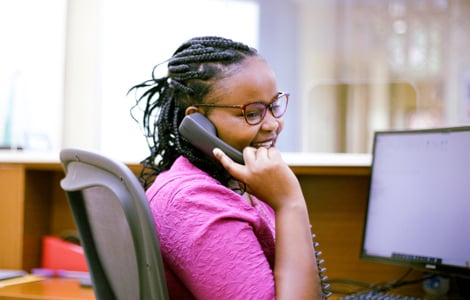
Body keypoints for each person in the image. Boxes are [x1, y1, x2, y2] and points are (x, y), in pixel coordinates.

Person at [129, 36, 323, 299]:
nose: (272, 124)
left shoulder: (239, 182)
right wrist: (291, 204)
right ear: (198, 121)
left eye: (274, 106)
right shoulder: (193, 203)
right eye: (252, 113)